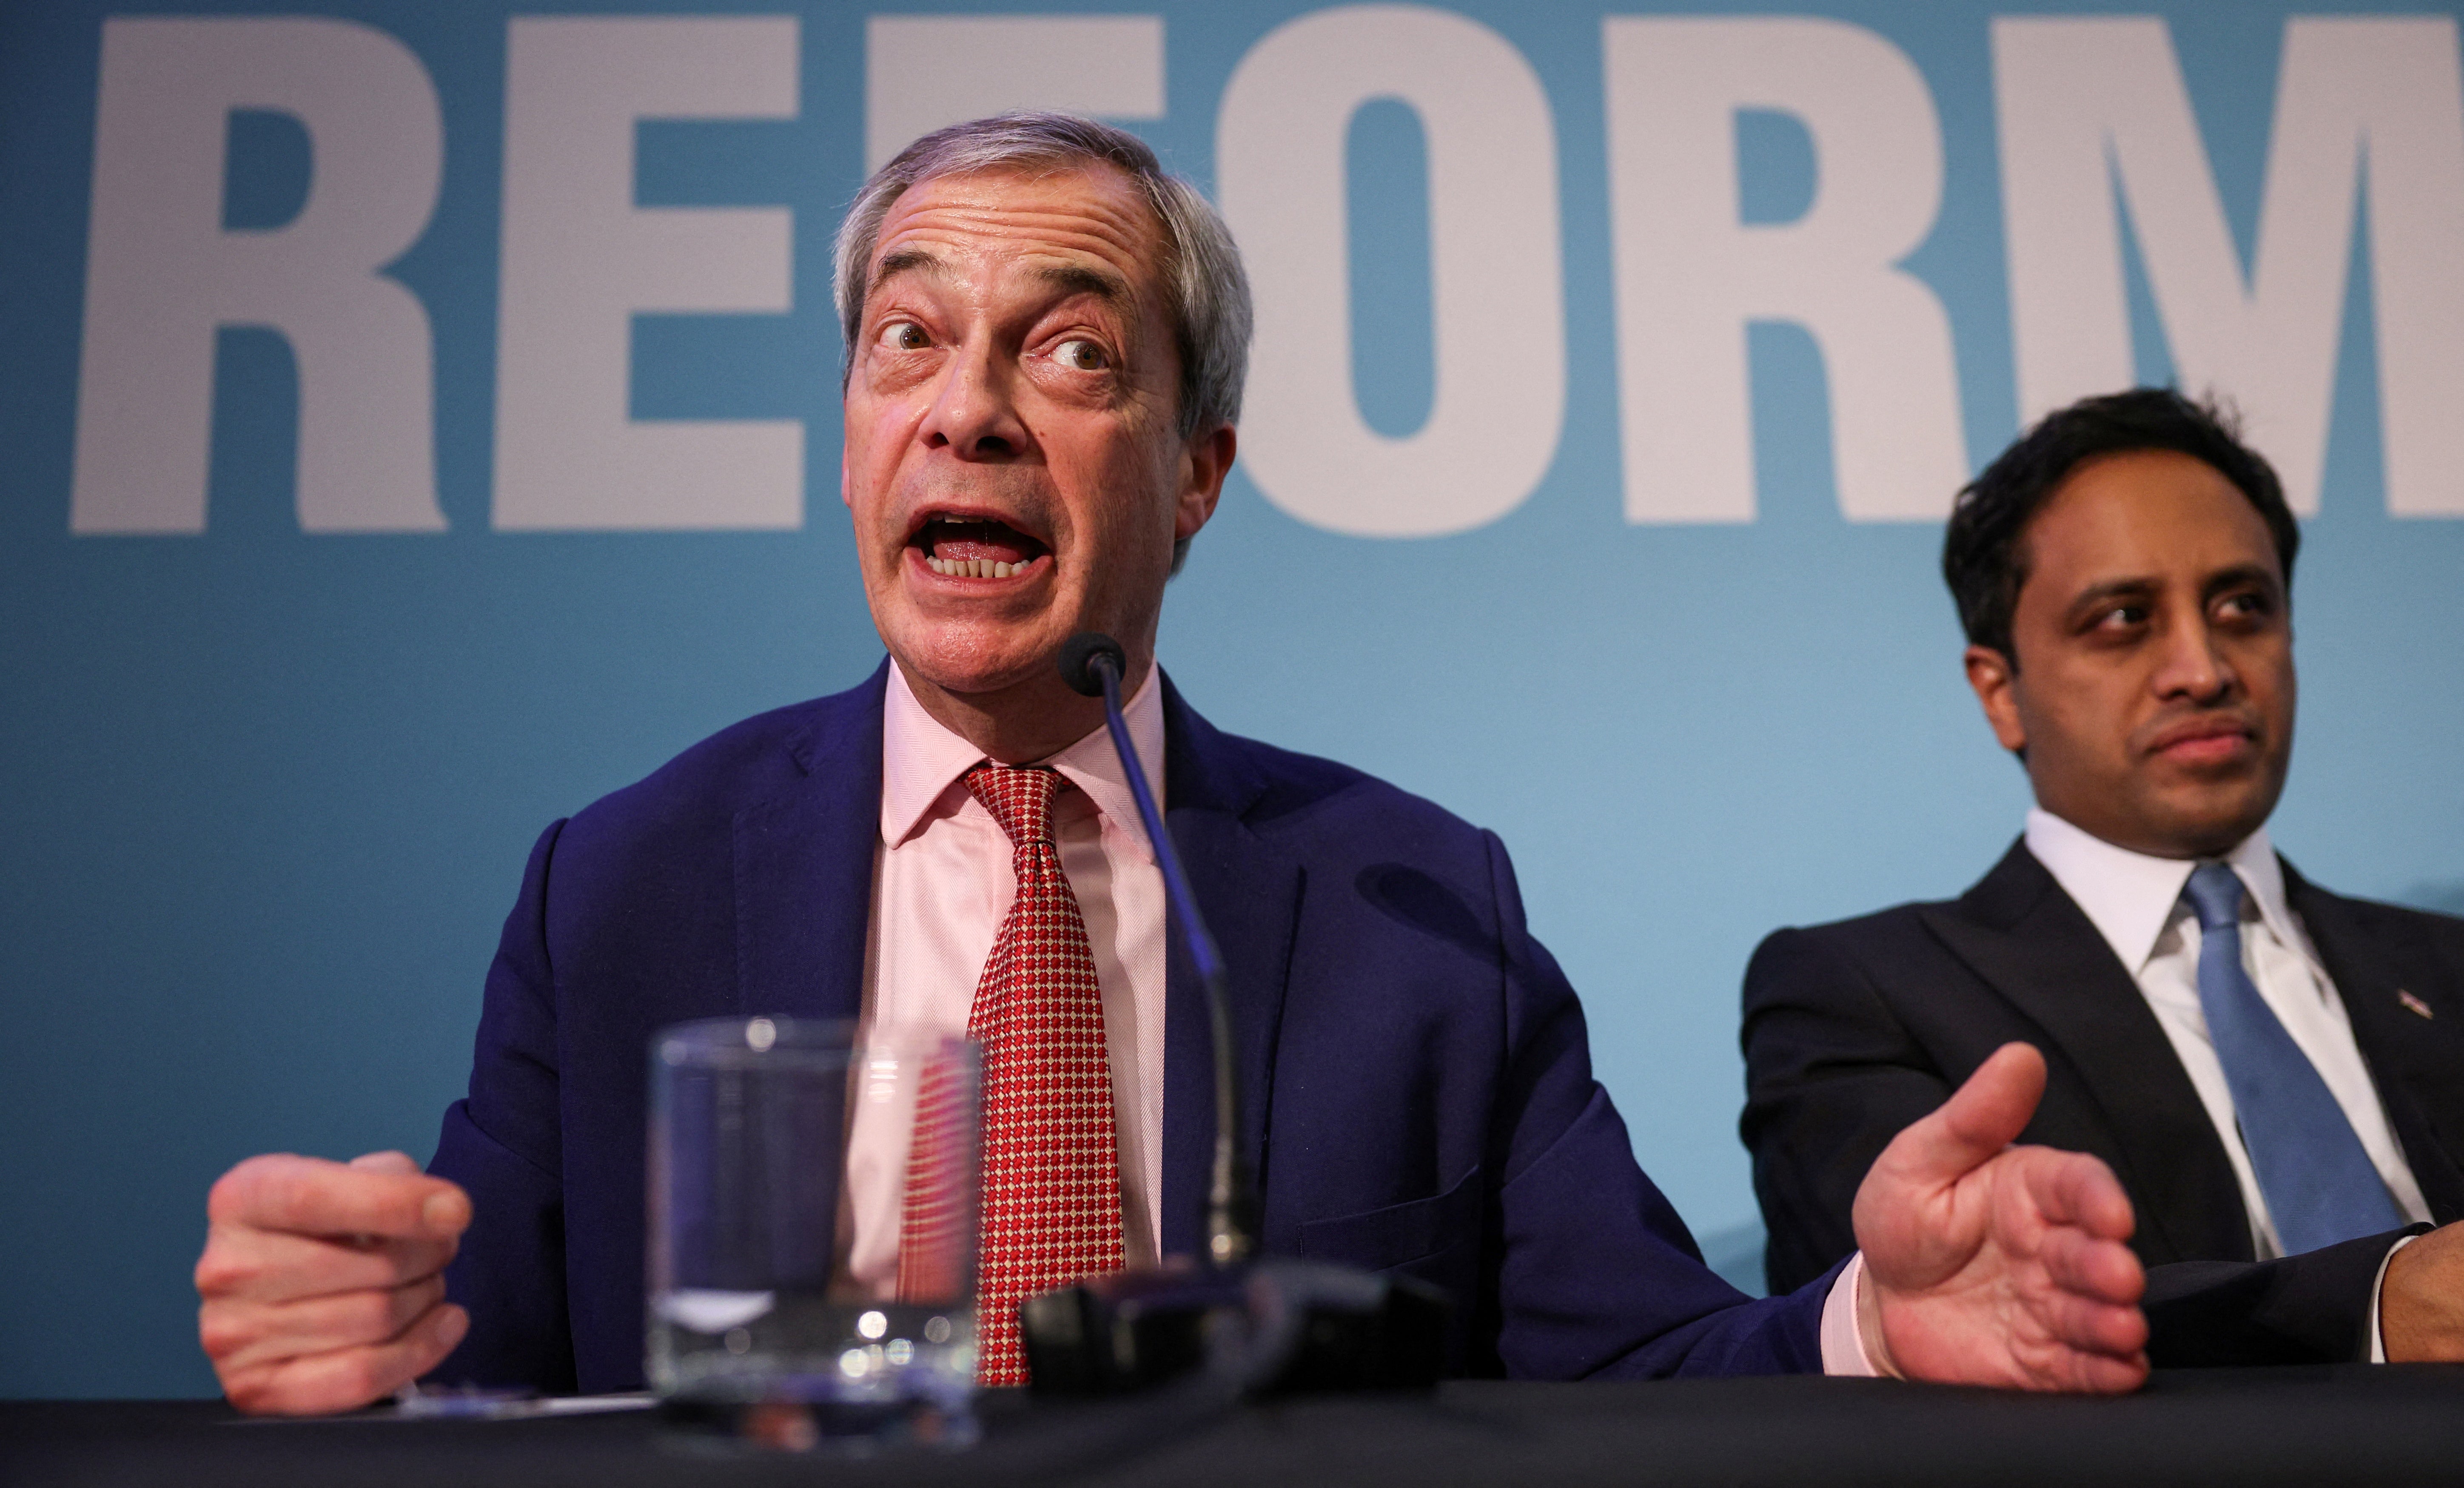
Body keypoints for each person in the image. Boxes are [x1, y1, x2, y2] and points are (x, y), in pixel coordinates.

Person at [193, 115, 2151, 1416]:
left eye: (1064, 354)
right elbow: (488, 1382)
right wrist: (366, 1344)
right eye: (903, 341)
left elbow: (1626, 1365)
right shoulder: (620, 882)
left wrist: (1873, 1325)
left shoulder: (1407, 904)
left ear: (1197, 467)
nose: (961, 412)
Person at [1742, 388, 2464, 1365]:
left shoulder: (2444, 965)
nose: (2201, 668)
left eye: (2242, 607)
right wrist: (2376, 1305)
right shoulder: (1857, 992)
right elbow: (1923, 1320)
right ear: (1999, 692)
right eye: (2123, 618)